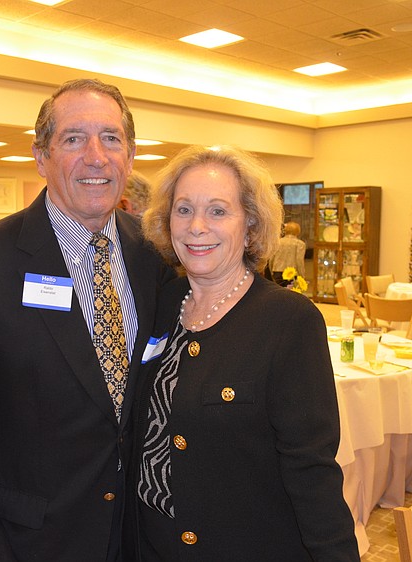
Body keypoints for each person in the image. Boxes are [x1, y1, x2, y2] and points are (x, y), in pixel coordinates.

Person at [0, 78, 174, 561]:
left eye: (111, 138)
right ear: (41, 157)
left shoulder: (154, 254)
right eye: (74, 139)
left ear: (131, 153)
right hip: (31, 540)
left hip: (136, 532)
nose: (96, 156)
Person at [131, 145, 359, 561]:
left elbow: (311, 467)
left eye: (218, 211)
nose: (197, 226)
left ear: (251, 226)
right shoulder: (160, 304)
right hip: (153, 547)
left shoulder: (288, 321)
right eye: (183, 210)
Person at [266, 220, 306, 285]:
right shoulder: (300, 244)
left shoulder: (277, 242)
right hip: (292, 273)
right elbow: (299, 261)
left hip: (277, 271)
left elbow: (271, 259)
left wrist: (272, 271)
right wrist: (302, 275)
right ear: (298, 231)